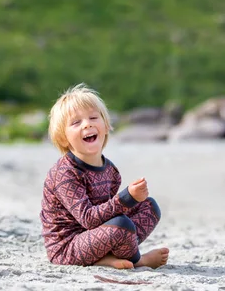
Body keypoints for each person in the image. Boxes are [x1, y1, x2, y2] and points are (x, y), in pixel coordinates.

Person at [40, 83, 169, 269]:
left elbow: (107, 214)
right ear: (63, 138)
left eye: (93, 117)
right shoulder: (65, 172)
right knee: (121, 225)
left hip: (95, 236)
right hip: (68, 247)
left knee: (149, 206)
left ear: (106, 126)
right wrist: (127, 198)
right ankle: (138, 260)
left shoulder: (111, 171)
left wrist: (133, 202)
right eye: (76, 123)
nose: (87, 124)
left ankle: (107, 257)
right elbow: (88, 219)